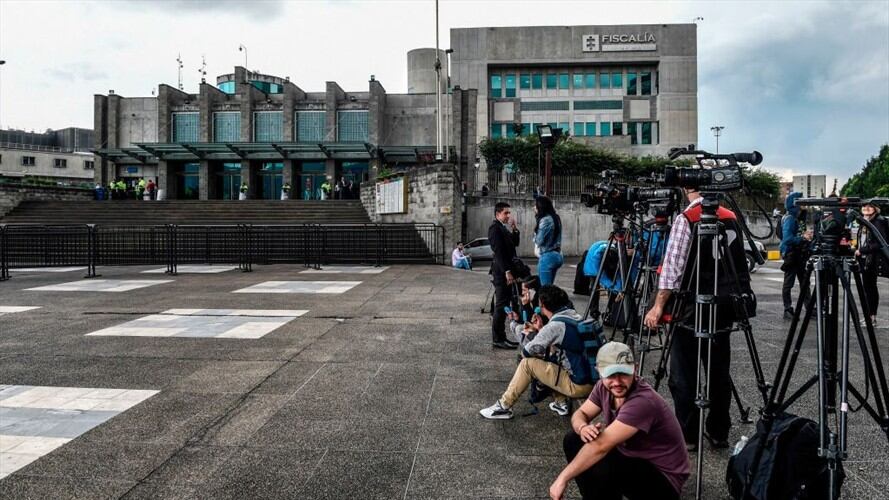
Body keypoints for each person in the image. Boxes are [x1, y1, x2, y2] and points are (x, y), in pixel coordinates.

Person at [643, 187, 753, 450]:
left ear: (687, 187)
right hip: (725, 306)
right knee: (719, 373)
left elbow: (672, 269)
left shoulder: (688, 218)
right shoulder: (730, 216)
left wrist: (658, 307)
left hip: (691, 308)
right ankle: (719, 432)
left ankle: (688, 435)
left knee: (683, 375)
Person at [549, 342, 690, 500]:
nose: (617, 382)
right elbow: (581, 413)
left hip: (664, 479)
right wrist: (582, 427)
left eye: (623, 374)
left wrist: (562, 478)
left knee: (599, 453)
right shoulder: (602, 387)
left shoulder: (643, 401)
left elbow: (601, 446)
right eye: (610, 375)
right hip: (634, 459)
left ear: (635, 369)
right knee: (574, 440)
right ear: (599, 372)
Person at [480, 285, 594, 419]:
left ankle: (504, 406)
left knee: (527, 364)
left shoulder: (554, 326)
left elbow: (528, 352)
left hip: (578, 385)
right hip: (591, 379)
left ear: (543, 305)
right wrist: (540, 330)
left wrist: (517, 325)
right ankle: (560, 403)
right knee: (549, 359)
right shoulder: (573, 315)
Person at [488, 202, 521, 350]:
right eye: (505, 213)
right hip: (501, 272)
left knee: (504, 303)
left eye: (509, 213)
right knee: (501, 305)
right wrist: (507, 271)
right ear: (497, 214)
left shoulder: (503, 228)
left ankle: (502, 337)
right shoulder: (495, 229)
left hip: (506, 271)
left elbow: (515, 243)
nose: (508, 215)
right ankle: (498, 338)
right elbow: (499, 252)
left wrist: (514, 229)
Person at [780, 192, 812, 320]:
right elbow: (787, 239)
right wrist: (802, 237)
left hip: (799, 254)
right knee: (789, 283)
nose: (804, 204)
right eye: (801, 201)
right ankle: (788, 309)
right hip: (791, 254)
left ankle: (810, 309)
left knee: (805, 282)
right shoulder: (790, 219)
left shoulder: (798, 217)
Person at [856, 201, 889, 327]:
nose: (866, 208)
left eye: (870, 206)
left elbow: (881, 242)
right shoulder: (865, 221)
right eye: (864, 206)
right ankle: (869, 317)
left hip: (873, 260)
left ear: (876, 208)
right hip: (867, 259)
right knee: (868, 288)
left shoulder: (878, 221)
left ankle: (871, 318)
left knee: (870, 289)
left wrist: (862, 250)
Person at [534, 196, 564, 286]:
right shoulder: (556, 218)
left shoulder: (545, 220)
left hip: (547, 257)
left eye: (535, 206)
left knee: (545, 290)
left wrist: (535, 233)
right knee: (549, 288)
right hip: (558, 254)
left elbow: (539, 241)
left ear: (540, 207)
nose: (534, 208)